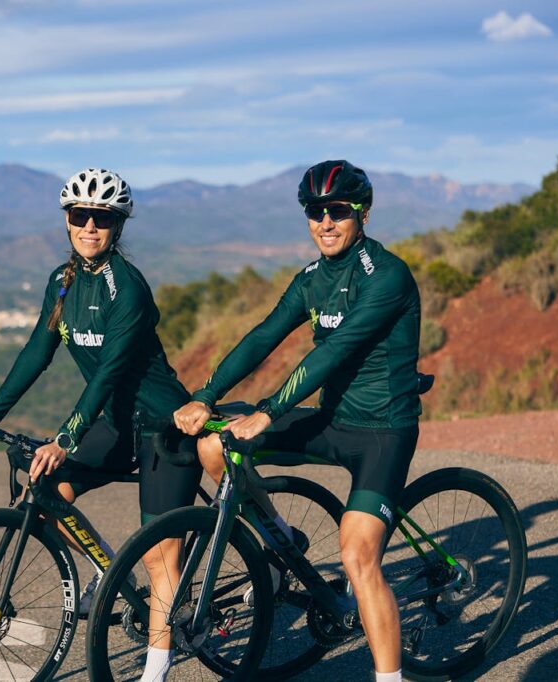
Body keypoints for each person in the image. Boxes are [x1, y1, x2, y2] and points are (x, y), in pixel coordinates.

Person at [173, 160, 421, 682]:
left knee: (357, 555)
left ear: (363, 214)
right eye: (314, 211)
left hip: (383, 431)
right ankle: (282, 540)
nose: (325, 222)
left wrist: (268, 411)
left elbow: (332, 355)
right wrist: (206, 395)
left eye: (337, 211)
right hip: (333, 420)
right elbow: (265, 337)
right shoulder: (311, 279)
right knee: (216, 447)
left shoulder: (388, 275)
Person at [0, 168, 201, 682]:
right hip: (113, 421)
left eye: (102, 218)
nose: (90, 226)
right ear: (67, 221)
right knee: (46, 498)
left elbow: (110, 372)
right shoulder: (62, 282)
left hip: (162, 425)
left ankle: (156, 671)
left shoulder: (127, 288)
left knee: (162, 557)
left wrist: (65, 438)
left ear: (118, 224)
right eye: (79, 216)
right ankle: (114, 574)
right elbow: (37, 352)